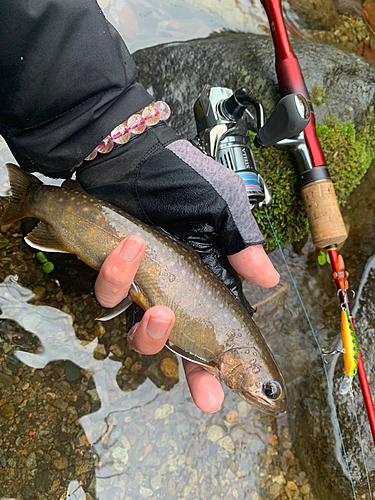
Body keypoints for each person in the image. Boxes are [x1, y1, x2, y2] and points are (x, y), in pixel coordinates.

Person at [0, 0, 279, 413]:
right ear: (251, 365)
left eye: (268, 391)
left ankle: (36, 200)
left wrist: (106, 131)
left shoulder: (224, 353)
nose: (264, 397)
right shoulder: (230, 346)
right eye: (268, 390)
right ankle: (34, 198)